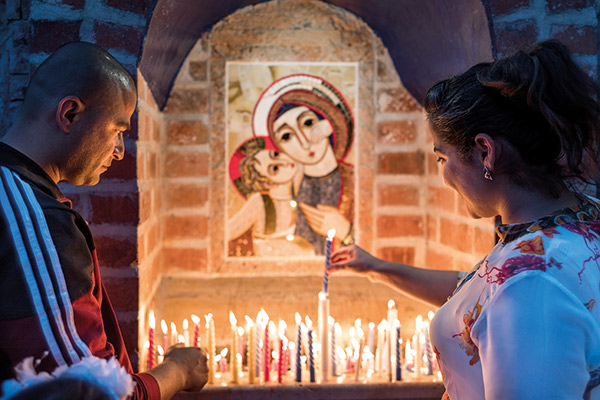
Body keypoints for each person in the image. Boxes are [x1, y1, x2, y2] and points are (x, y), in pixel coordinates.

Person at [328, 40, 600, 399]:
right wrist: (378, 267)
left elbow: (516, 292)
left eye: (443, 158)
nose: (444, 175)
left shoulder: (533, 285)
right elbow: (483, 294)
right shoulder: (575, 218)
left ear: (485, 152)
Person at [0, 42, 207, 399]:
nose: (120, 150)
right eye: (117, 129)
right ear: (70, 114)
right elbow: (91, 392)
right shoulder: (36, 221)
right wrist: (178, 370)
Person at [252, 74, 355, 254]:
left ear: (327, 121)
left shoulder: (357, 181)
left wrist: (346, 231)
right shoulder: (290, 186)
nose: (304, 141)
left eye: (308, 123)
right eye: (286, 136)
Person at [227, 136, 313, 256]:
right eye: (275, 168)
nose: (284, 162)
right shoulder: (260, 202)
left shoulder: (301, 196)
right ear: (267, 181)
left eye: (276, 155)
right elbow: (229, 231)